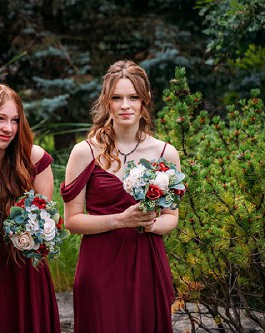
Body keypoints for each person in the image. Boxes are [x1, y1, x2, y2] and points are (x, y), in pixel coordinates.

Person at [60, 60, 180, 332]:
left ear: (145, 100)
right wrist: (121, 220)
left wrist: (150, 223)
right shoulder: (85, 152)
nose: (125, 105)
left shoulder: (165, 154)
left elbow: (171, 218)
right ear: (107, 102)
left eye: (133, 97)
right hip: (99, 266)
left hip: (147, 264)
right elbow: (72, 220)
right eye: (117, 98)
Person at [0, 82, 61, 333]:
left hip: (25, 275)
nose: (7, 128)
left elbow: (47, 221)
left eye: (14, 120)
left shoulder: (35, 159)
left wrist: (40, 232)